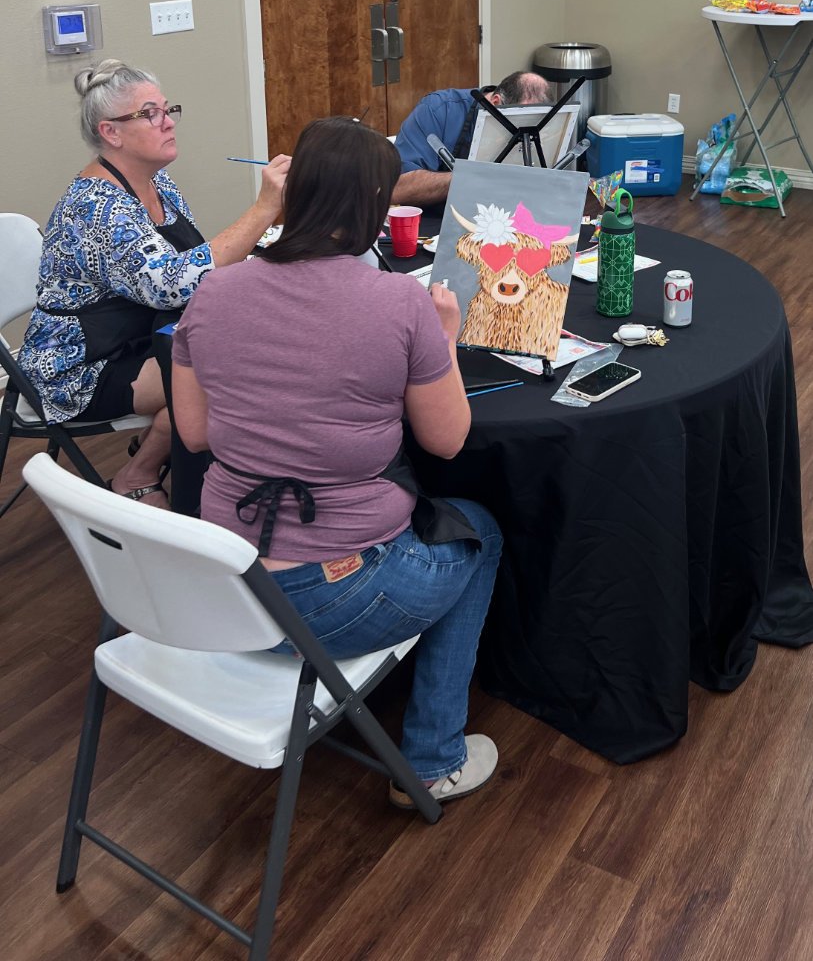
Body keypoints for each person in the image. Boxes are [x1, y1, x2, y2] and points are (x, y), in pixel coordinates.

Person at [171, 116, 503, 807]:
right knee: (479, 529)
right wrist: (443, 339)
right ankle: (432, 758)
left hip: (221, 590)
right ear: (376, 205)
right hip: (329, 598)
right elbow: (447, 440)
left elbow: (194, 434)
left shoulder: (212, 291)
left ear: (293, 194)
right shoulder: (399, 303)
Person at [18, 59, 290, 506]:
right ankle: (144, 477)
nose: (168, 122)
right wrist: (264, 208)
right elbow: (173, 285)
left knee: (238, 347)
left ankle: (164, 447)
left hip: (138, 335)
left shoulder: (158, 182)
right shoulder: (97, 207)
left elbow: (190, 261)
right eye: (150, 114)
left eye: (167, 110)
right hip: (77, 365)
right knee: (225, 372)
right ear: (111, 132)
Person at [392, 70, 550, 207]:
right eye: (519, 122)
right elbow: (398, 189)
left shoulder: (546, 125)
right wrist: (472, 177)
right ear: (495, 103)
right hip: (437, 223)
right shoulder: (438, 109)